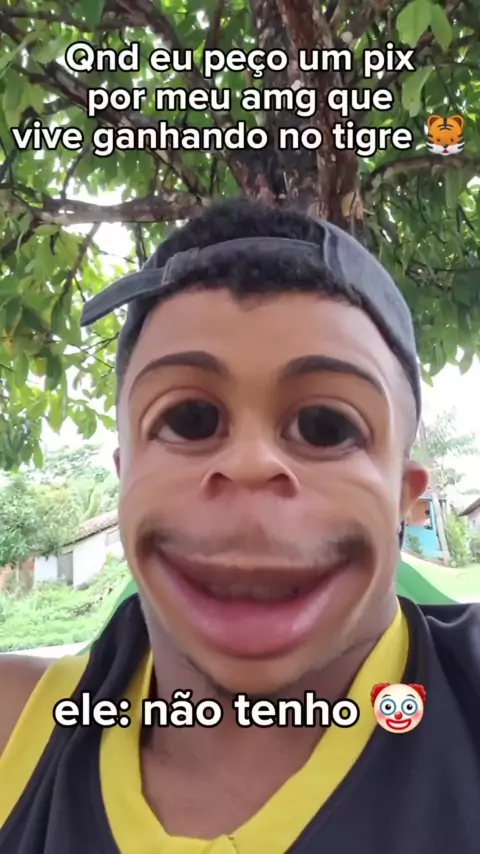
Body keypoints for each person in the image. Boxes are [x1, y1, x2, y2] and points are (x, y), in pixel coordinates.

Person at [1, 199, 479, 854]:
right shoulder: (16, 727)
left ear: (405, 496)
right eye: (190, 419)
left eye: (327, 427)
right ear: (125, 477)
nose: (251, 464)